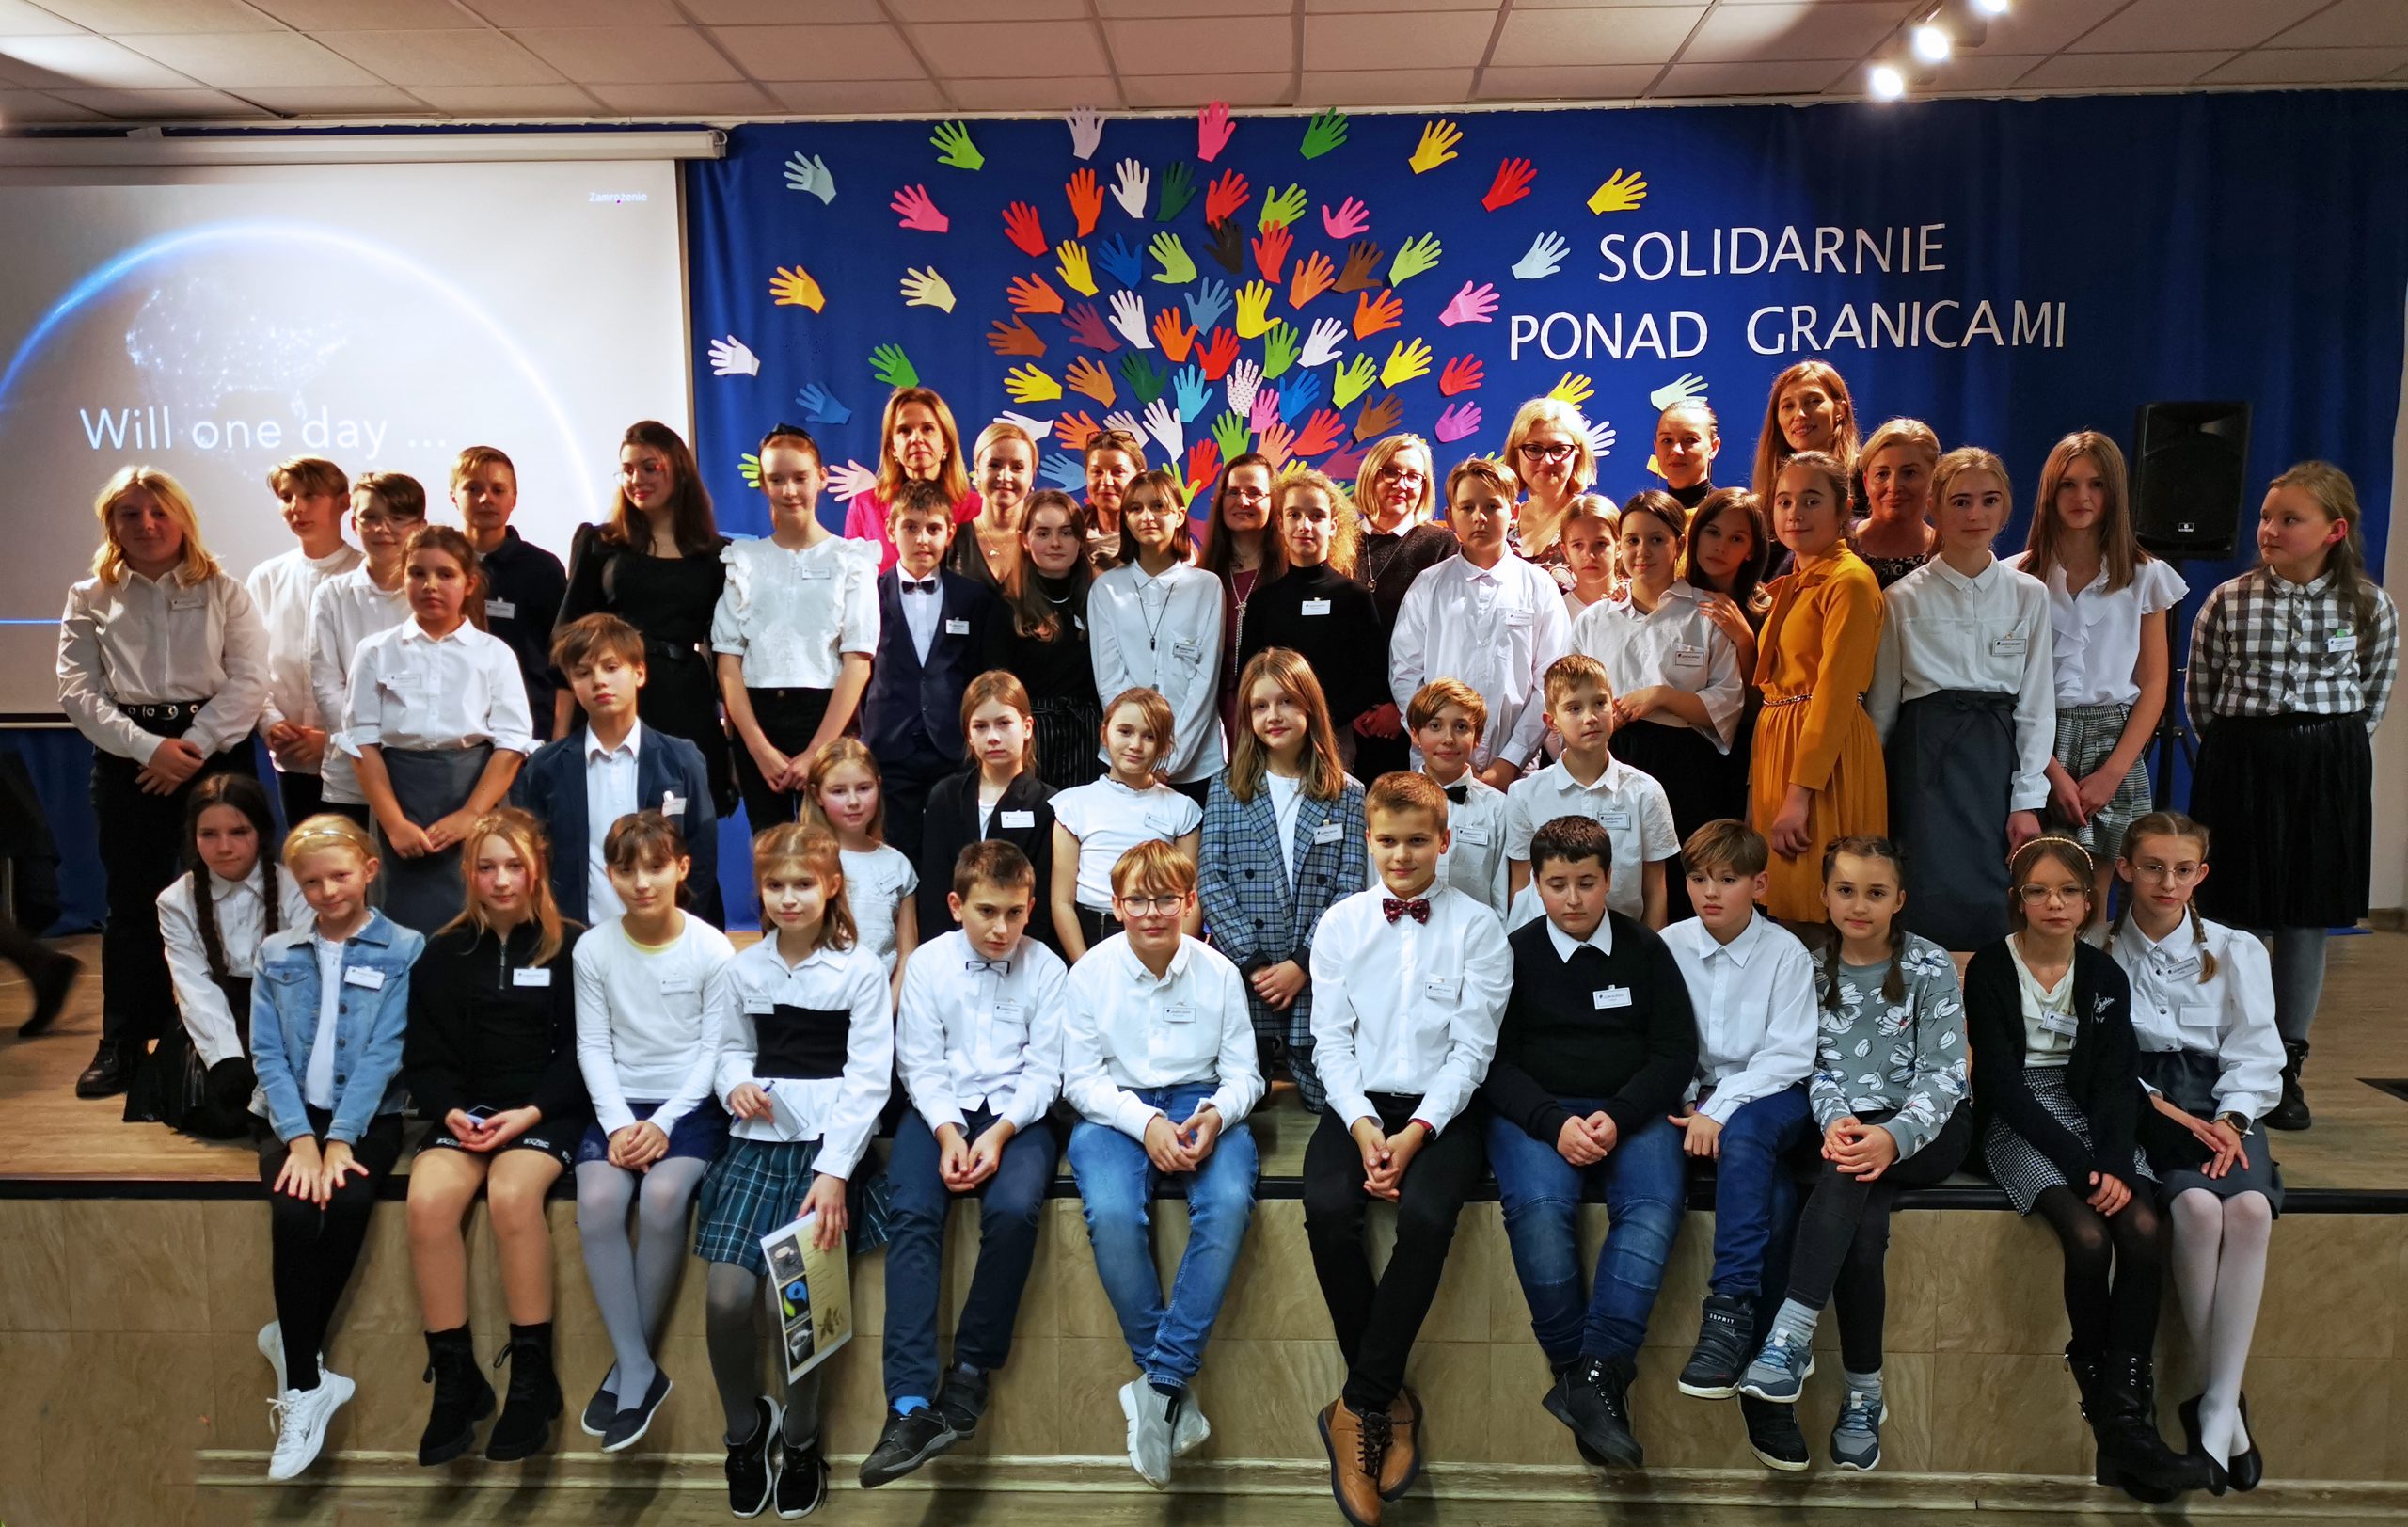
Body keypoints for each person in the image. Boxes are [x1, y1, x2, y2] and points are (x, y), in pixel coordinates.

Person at [1967, 834, 2202, 1502]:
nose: (2055, 902)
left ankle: (2124, 1415)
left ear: (2089, 900)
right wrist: (2081, 1167)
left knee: (2145, 1229)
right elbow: (2001, 1084)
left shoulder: (2103, 974)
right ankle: (2112, 1414)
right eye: (2039, 890)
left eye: (2069, 890)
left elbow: (2115, 1080)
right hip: (2021, 1118)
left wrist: (2111, 1160)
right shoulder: (1990, 967)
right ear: (2018, 899)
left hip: (2094, 1116)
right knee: (2089, 1236)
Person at [1304, 771, 1511, 1526]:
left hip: (1445, 1111)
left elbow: (1473, 1051)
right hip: (1357, 1102)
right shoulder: (1340, 924)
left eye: (1417, 840)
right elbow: (1329, 1042)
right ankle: (1389, 1399)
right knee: (1328, 1207)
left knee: (1425, 1217)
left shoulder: (1480, 928)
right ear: (1369, 839)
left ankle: (1356, 1405)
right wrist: (1364, 1127)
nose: (1401, 855)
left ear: (1444, 841)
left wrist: (1416, 1132)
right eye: (1387, 840)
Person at [1736, 837, 1971, 1473]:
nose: (1859, 905)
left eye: (1875, 893)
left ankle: (1789, 1337)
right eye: (1845, 890)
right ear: (1824, 895)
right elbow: (1809, 1064)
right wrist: (1836, 1118)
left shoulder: (1928, 964)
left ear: (1899, 899)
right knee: (1862, 1237)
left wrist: (1894, 1135)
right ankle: (1865, 1396)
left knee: (1844, 1177)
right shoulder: (1810, 970)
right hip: (1847, 1128)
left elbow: (1945, 1073)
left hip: (1928, 1129)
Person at [2184, 463, 2396, 1131]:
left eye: (2289, 519)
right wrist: (2246, 749)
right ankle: (2233, 1059)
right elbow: (2202, 696)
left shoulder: (2369, 605)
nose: (2269, 530)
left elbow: (2373, 693)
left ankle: (2286, 1065)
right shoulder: (2229, 600)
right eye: (2266, 517)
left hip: (2327, 764)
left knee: (2307, 916)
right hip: (2242, 759)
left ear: (2334, 530)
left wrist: (2322, 748)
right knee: (2238, 912)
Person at [1482, 816, 1696, 1471]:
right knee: (1540, 1210)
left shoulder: (1646, 950)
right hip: (1537, 1114)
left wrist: (1620, 1115)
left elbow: (1674, 1052)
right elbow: (1492, 1063)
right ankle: (1579, 1374)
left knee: (1654, 1206)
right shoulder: (1512, 954)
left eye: (1585, 882)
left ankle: (1595, 1374)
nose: (1572, 899)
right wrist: (1553, 1123)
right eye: (1556, 884)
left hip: (1631, 1111)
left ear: (1609, 880)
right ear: (1535, 885)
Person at [699, 821, 892, 1519]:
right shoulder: (742, 968)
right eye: (775, 885)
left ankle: (803, 1439)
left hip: (825, 1155)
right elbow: (727, 1048)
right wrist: (734, 1084)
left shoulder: (859, 970)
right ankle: (745, 1431)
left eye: (803, 884)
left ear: (831, 886)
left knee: (800, 1309)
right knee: (726, 1298)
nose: (788, 897)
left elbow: (869, 1079)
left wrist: (835, 1171)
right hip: (756, 1145)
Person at [58, 465, 270, 1100]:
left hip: (216, 752)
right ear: (112, 525)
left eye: (159, 512)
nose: (147, 524)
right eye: (130, 514)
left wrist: (193, 746)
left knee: (233, 896)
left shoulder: (224, 590)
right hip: (130, 757)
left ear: (182, 519)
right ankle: (124, 1042)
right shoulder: (89, 596)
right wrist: (151, 749)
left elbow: (250, 680)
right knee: (131, 904)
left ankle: (239, 1038)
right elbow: (77, 690)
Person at [865, 840, 1069, 1487]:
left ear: (1031, 908)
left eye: (1014, 912)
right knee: (911, 1213)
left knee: (1012, 1210)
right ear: (956, 905)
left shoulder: (1048, 968)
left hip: (1018, 1116)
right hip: (939, 1112)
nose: (1001, 928)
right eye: (987, 911)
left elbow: (1046, 1071)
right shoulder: (927, 964)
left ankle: (970, 1375)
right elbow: (918, 1062)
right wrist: (949, 1132)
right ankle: (907, 1406)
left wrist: (1001, 1133)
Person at [1063, 839, 1264, 1487]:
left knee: (1228, 1203)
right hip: (1114, 1108)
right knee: (1113, 1213)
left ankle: (1158, 1382)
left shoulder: (1219, 973)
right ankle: (1169, 1381)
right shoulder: (1089, 974)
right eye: (1139, 901)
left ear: (1189, 902)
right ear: (1116, 904)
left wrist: (1218, 1113)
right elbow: (1080, 1081)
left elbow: (1246, 1075)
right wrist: (1143, 1122)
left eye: (1167, 900)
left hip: (1201, 1099)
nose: (1153, 913)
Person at [2105, 812, 2283, 1493]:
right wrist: (2170, 1112)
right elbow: (2107, 1060)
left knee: (2251, 1212)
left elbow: (2257, 1051)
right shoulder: (2100, 947)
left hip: (2228, 1101)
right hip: (2150, 1101)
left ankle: (2214, 1404)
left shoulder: (2237, 949)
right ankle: (2223, 1411)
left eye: (2183, 869)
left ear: (2201, 874)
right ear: (2125, 869)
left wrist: (2233, 1119)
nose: (2167, 882)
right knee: (2198, 1211)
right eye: (2152, 867)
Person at [404, 807, 585, 1467]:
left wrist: (531, 1113)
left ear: (537, 870)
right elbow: (424, 1057)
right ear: (469, 873)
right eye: (487, 868)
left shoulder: (573, 946)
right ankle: (456, 1377)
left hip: (545, 1110)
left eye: (514, 866)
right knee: (427, 1202)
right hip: (469, 1112)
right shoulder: (442, 952)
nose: (501, 880)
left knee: (512, 1195)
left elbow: (584, 1055)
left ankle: (532, 1381)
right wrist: (449, 1111)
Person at [248, 814, 421, 1480]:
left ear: (369, 870)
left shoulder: (404, 948)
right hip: (289, 1117)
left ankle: (292, 1345)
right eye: (312, 883)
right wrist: (300, 1138)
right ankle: (307, 1386)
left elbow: (386, 1052)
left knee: (347, 1202)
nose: (327, 892)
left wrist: (340, 1139)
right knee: (294, 1213)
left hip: (368, 1116)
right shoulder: (275, 953)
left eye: (340, 876)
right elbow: (267, 1051)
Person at [571, 810, 737, 1453]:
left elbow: (714, 1052)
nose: (642, 883)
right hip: (618, 1102)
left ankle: (628, 1372)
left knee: (664, 1196)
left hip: (689, 1105)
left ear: (681, 868)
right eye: (626, 870)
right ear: (609, 875)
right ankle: (638, 1366)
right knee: (597, 1201)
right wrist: (619, 1123)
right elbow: (593, 1046)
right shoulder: (593, 949)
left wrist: (663, 1122)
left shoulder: (711, 948)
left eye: (656, 867)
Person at [1658, 820, 1819, 1471]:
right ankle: (1766, 1383)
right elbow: (1663, 1040)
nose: (1710, 892)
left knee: (1750, 1133)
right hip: (1694, 1100)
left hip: (1772, 1094)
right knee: (1775, 1202)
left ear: (1759, 884)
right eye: (1699, 878)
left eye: (1727, 879)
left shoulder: (1786, 953)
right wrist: (1689, 1101)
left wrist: (1718, 1110)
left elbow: (1789, 1056)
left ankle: (1726, 1313)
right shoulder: (1668, 945)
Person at [1867, 447, 2054, 951]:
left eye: (1989, 500)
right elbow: (1883, 707)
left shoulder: (2029, 594)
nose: (1975, 514)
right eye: (1961, 501)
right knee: (1926, 886)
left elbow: (2037, 706)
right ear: (1934, 507)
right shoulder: (1901, 598)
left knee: (1996, 893)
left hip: (1996, 759)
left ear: (2006, 507)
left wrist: (2027, 800)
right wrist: (1875, 795)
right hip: (1925, 759)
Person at [2009, 432, 2188, 872]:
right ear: (2050, 493)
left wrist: (2112, 774)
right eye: (2068, 484)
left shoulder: (2145, 576)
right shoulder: (2016, 576)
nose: (2082, 497)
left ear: (2115, 492)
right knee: (2033, 878)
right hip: (2035, 739)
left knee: (2096, 883)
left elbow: (2155, 684)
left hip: (2112, 744)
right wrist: (2049, 770)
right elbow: (2008, 684)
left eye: (2096, 484)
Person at [1200, 647, 1369, 1107]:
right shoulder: (1226, 788)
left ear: (1310, 705)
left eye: (1286, 701)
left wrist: (1301, 964)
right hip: (1249, 973)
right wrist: (1255, 965)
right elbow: (1212, 881)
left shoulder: (1347, 794)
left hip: (1314, 972)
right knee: (1244, 1101)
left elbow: (1348, 888)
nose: (1273, 715)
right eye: (1260, 705)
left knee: (1323, 1102)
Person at [346, 526, 535, 933]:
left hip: (473, 794)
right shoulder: (376, 651)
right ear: (402, 578)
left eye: (445, 574)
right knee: (399, 919)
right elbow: (362, 744)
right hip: (399, 797)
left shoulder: (494, 654)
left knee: (474, 914)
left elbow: (511, 745)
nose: (430, 585)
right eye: (417, 573)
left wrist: (471, 815)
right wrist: (394, 824)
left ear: (469, 584)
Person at [1569, 492, 1747, 920]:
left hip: (1686, 765)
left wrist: (1662, 696)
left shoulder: (1705, 614)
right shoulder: (1595, 619)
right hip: (1612, 758)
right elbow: (1567, 695)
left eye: (1656, 540)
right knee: (1613, 870)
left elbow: (1729, 701)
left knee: (1684, 875)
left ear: (1679, 545)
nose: (1642, 552)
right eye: (1631, 540)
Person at [556, 421, 735, 813]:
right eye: (628, 469)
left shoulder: (716, 554)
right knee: (609, 822)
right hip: (610, 698)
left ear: (679, 471)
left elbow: (727, 653)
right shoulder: (599, 542)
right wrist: (559, 739)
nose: (637, 479)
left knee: (680, 826)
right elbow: (567, 641)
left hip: (684, 700)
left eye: (650, 468)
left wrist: (732, 740)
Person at [713, 422, 878, 835]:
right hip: (757, 719)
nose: (789, 491)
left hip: (826, 716)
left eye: (800, 478)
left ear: (821, 478)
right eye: (777, 479)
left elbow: (858, 661)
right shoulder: (744, 559)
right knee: (769, 847)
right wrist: (757, 748)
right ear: (763, 484)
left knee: (829, 849)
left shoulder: (850, 559)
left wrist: (818, 750)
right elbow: (728, 661)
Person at [1748, 453, 1886, 924]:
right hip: (1782, 743)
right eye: (1784, 501)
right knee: (1782, 897)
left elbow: (1835, 693)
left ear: (1843, 509)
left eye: (1811, 501)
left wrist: (1799, 794)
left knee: (1819, 901)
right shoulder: (1795, 581)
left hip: (1824, 757)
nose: (1794, 513)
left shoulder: (1849, 581)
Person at [515, 613, 718, 929]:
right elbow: (535, 859)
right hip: (577, 935)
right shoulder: (546, 767)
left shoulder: (681, 758)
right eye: (583, 672)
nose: (599, 681)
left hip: (662, 936)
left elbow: (700, 857)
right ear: (571, 684)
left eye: (611, 667)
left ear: (639, 672)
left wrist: (679, 932)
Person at [1389, 456, 1570, 789]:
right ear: (1449, 517)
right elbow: (1406, 674)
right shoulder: (1428, 586)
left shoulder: (1539, 587)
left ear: (1514, 513)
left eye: (1492, 506)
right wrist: (1438, 741)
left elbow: (1550, 682)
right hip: (1438, 766)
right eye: (1467, 507)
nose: (1479, 517)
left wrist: (1510, 760)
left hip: (1514, 772)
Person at [155, 774, 310, 1139]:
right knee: (221, 1115)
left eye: (239, 832)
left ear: (262, 833)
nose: (224, 847)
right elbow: (193, 985)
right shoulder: (176, 901)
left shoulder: (297, 889)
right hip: (219, 1013)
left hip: (284, 1012)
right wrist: (225, 1057)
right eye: (209, 834)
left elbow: (304, 977)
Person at [864, 477, 998, 862]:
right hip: (889, 746)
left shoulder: (973, 597)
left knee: (955, 854)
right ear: (891, 530)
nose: (922, 539)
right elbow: (858, 672)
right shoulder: (867, 594)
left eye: (933, 529)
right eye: (910, 527)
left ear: (950, 532)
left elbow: (981, 675)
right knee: (894, 854)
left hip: (953, 747)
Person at [1504, 655, 1679, 931]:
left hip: (1625, 943)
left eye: (1599, 703)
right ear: (1552, 721)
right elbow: (1521, 887)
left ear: (1613, 706)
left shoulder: (1645, 792)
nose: (1590, 718)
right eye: (1574, 708)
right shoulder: (1524, 795)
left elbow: (1655, 890)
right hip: (1548, 943)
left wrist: (1649, 951)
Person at [1090, 469, 1225, 804]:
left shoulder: (1206, 586)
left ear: (1179, 515)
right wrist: (1138, 747)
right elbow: (1110, 680)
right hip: (1127, 760)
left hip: (1197, 761)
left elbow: (1205, 680)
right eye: (1135, 508)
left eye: (1158, 506)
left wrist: (1172, 755)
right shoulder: (1106, 588)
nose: (1146, 517)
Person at [1051, 688, 1205, 962]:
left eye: (1149, 736)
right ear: (1104, 734)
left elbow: (1191, 897)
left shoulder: (1182, 810)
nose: (1135, 744)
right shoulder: (1073, 805)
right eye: (1125, 731)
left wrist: (1172, 960)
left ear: (1164, 746)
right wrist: (1084, 965)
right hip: (1092, 935)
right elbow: (1061, 901)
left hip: (1159, 933)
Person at [1240, 471, 1385, 761]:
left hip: (1333, 738)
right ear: (1280, 523)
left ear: (1332, 526)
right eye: (1294, 515)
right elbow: (1249, 675)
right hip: (1274, 736)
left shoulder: (1354, 597)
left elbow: (1373, 676)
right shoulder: (1263, 602)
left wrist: (1319, 719)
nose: (1304, 525)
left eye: (1317, 516)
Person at [249, 456, 361, 827]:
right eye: (287, 497)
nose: (297, 507)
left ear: (343, 502)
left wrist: (330, 740)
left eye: (310, 495)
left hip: (357, 761)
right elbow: (248, 663)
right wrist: (270, 722)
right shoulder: (267, 577)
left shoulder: (365, 575)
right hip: (290, 755)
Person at [309, 471, 421, 828]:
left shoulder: (433, 594)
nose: (382, 528)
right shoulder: (331, 595)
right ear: (353, 523)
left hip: (419, 766)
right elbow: (325, 681)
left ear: (420, 525)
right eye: (370, 517)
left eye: (397, 518)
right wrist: (366, 745)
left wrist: (400, 741)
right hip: (350, 769)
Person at [917, 670, 1056, 952]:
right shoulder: (945, 796)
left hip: (1021, 950)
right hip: (953, 950)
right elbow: (933, 888)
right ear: (968, 734)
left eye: (1004, 723)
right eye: (980, 726)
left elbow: (1042, 899)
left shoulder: (1048, 804)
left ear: (1027, 727)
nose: (993, 737)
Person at [1351, 434, 1456, 778]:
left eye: (1414, 476)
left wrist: (1402, 710)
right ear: (1371, 474)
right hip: (1344, 722)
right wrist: (1349, 707)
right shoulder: (1340, 538)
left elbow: (1444, 640)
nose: (1402, 483)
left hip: (1413, 722)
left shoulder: (1440, 545)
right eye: (1391, 472)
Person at [983, 489, 1103, 788]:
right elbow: (997, 686)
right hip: (1031, 741)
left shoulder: (1102, 599)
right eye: (1043, 533)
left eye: (1066, 532)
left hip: (1089, 740)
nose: (1055, 543)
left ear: (1081, 539)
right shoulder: (1005, 605)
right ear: (1024, 539)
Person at [454, 445, 569, 740]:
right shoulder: (438, 562)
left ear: (513, 499)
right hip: (453, 728)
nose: (486, 499)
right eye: (473, 489)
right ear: (453, 496)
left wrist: (558, 734)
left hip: (527, 727)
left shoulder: (542, 568)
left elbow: (563, 655)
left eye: (498, 490)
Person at [803, 738, 918, 991]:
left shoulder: (897, 864)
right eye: (838, 791)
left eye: (864, 788)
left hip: (882, 1000)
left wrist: (887, 1007)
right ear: (817, 794)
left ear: (879, 786)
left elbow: (907, 953)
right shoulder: (804, 859)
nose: (853, 801)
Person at [843, 385, 982, 574]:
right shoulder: (864, 506)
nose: (916, 438)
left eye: (927, 429)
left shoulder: (977, 509)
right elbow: (851, 577)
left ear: (946, 444)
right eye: (904, 431)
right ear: (893, 448)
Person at [1198, 453, 1283, 742]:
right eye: (1233, 492)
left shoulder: (1290, 575)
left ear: (1273, 502)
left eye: (1254, 493)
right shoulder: (1201, 577)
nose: (1242, 501)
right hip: (1208, 720)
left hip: (1273, 718)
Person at [1406, 679, 1508, 917]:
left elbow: (1501, 892)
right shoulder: (1394, 803)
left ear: (1478, 738)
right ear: (1415, 734)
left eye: (1461, 727)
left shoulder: (1498, 808)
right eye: (1435, 726)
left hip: (1475, 934)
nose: (1448, 738)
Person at [1499, 397, 1597, 594]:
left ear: (1577, 454)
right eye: (1534, 449)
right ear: (1516, 454)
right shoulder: (1502, 521)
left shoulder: (1594, 521)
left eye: (1559, 449)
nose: (1547, 461)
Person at [1749, 360, 1861, 512]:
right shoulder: (1760, 502)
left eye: (1813, 401)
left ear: (1840, 410)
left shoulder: (1868, 477)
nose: (1800, 414)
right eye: (1788, 406)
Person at [1849, 418, 1941, 589]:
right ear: (1866, 483)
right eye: (1882, 474)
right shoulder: (1838, 544)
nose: (1894, 486)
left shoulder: (1948, 554)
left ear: (1934, 480)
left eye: (1909, 473)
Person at [947, 421, 1038, 592]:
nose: (1004, 476)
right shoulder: (952, 541)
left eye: (1017, 467)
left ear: (1031, 475)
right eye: (994, 465)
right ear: (977, 470)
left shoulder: (1045, 541)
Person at [1082, 428, 1144, 565]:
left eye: (1118, 472)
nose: (1106, 481)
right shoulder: (1069, 536)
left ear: (1139, 478)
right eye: (1097, 472)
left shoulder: (1159, 542)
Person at [1560, 496, 1623, 616]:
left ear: (1619, 547)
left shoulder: (1638, 603)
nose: (1589, 555)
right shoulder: (1556, 611)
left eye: (1600, 544)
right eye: (1578, 545)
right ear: (1566, 551)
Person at [1654, 398, 1719, 509]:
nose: (1676, 450)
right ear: (1656, 447)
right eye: (1667, 440)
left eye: (1690, 440)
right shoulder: (1645, 515)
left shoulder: (1731, 512)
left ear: (1713, 447)